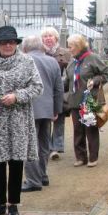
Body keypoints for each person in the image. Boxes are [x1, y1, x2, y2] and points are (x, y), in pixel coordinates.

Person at [0, 25, 43, 215]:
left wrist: (17, 96)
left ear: (16, 44)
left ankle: (13, 204)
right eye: (4, 42)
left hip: (19, 118)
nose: (8, 45)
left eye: (11, 42)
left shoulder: (27, 61)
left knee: (16, 161)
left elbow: (38, 87)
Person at [21, 36, 63, 192]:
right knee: (44, 144)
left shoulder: (24, 61)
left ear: (25, 48)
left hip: (29, 108)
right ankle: (43, 175)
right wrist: (56, 110)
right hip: (47, 109)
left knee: (30, 146)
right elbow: (58, 88)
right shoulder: (52, 61)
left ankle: (33, 180)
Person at [65, 34, 108, 168]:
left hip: (89, 101)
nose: (69, 49)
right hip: (74, 101)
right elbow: (68, 80)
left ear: (78, 46)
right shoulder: (72, 62)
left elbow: (105, 74)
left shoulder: (92, 58)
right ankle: (80, 157)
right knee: (78, 130)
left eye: (70, 46)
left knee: (90, 129)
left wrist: (95, 81)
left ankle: (93, 157)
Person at [41, 27, 71, 161]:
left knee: (59, 120)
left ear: (56, 38)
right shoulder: (40, 53)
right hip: (44, 93)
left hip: (60, 92)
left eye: (50, 36)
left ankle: (56, 147)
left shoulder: (65, 53)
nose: (48, 38)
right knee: (45, 120)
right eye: (45, 36)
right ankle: (46, 147)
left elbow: (70, 73)